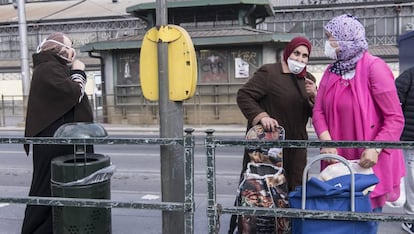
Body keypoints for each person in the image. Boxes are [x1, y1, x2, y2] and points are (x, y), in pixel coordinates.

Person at [312, 14, 405, 232]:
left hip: (369, 162)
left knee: (365, 222)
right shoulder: (330, 71)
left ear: (346, 39)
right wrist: (326, 141)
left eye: (330, 38)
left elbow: (395, 117)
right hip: (337, 161)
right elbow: (318, 111)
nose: (327, 43)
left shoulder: (375, 68)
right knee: (338, 223)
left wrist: (376, 148)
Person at [21, 32, 93, 234]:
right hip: (55, 142)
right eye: (70, 47)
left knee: (57, 189)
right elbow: (73, 93)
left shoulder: (53, 69)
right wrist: (79, 71)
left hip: (62, 140)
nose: (73, 52)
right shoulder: (48, 69)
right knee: (47, 189)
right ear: (60, 50)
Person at [237, 36, 317, 192]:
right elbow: (244, 95)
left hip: (296, 148)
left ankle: (292, 218)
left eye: (304, 55)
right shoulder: (269, 72)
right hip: (269, 146)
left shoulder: (309, 80)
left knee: (296, 188)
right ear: (288, 53)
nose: (299, 59)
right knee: (264, 191)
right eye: (296, 53)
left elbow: (315, 114)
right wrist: (262, 116)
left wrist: (314, 96)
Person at [395, 66, 414, 234]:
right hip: (410, 139)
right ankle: (410, 218)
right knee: (413, 182)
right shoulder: (410, 75)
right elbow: (393, 103)